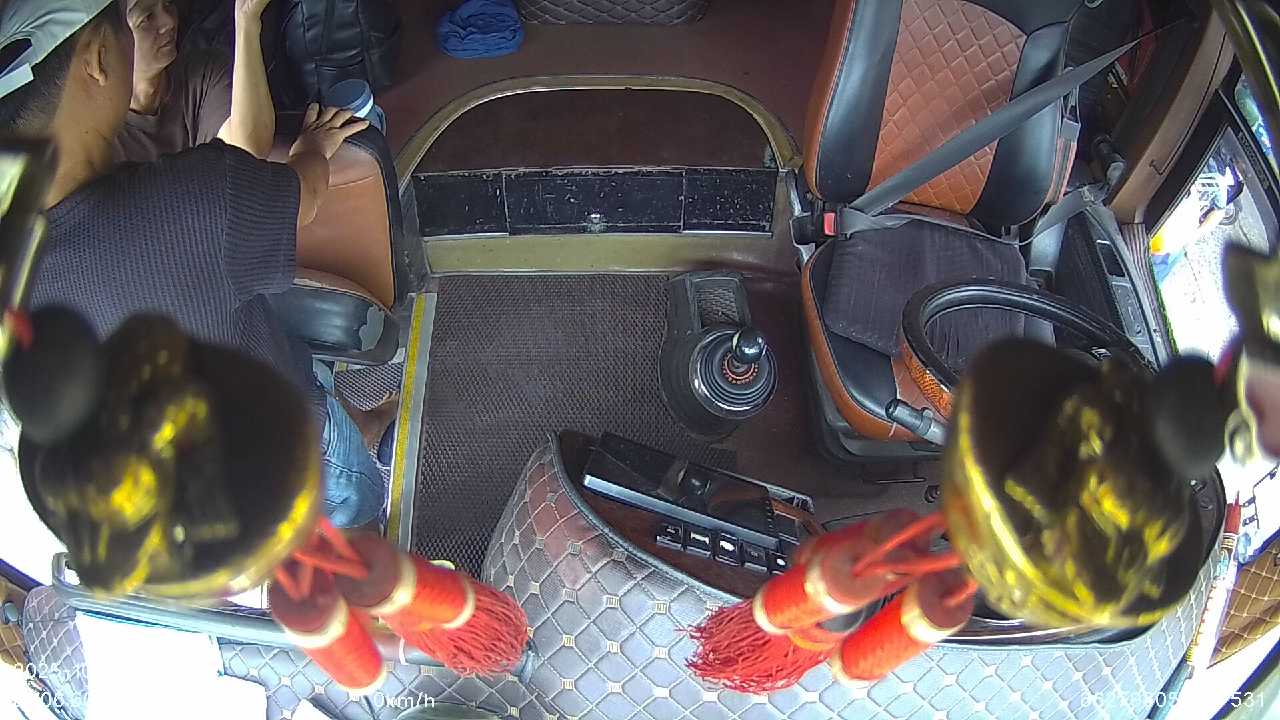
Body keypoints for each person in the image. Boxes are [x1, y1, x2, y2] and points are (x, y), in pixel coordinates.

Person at [0, 0, 389, 528]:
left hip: (169, 494)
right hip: (275, 442)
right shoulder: (195, 200)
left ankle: (363, 427)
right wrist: (313, 148)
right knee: (357, 493)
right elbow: (305, 194)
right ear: (97, 57)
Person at [116, 0, 274, 161]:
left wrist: (246, 21)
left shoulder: (205, 72)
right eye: (147, 17)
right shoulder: (106, 134)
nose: (169, 22)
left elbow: (247, 153)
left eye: (168, 3)